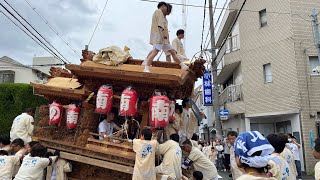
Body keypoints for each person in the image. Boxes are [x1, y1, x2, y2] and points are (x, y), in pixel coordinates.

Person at [143, 2, 189, 72]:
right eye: (169, 10)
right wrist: (163, 34)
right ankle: (146, 67)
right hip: (159, 37)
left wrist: (166, 37)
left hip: (164, 40)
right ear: (164, 6)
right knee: (155, 52)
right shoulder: (159, 12)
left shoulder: (164, 17)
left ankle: (182, 65)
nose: (169, 12)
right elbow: (160, 25)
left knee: (172, 52)